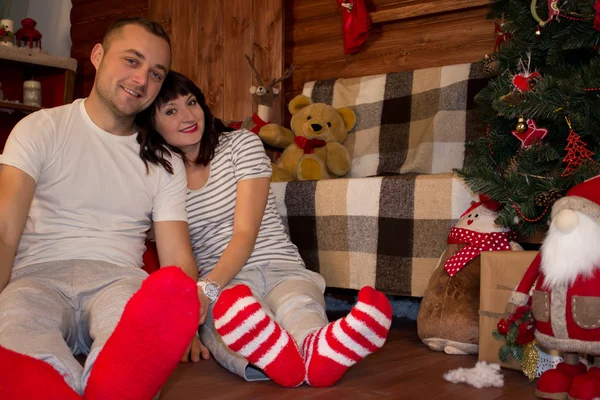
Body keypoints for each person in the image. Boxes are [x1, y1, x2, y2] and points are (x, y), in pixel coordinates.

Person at [136, 70, 393, 388]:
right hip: (226, 292)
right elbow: (174, 256)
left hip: (274, 266)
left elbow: (245, 232)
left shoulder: (241, 144)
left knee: (299, 308)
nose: (188, 116)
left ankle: (312, 348)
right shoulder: (158, 175)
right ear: (152, 123)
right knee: (234, 322)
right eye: (171, 111)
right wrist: (186, 321)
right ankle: (304, 357)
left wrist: (207, 291)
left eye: (191, 102)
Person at [0, 17, 207, 400]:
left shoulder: (165, 162)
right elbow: (5, 232)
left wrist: (184, 324)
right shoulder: (39, 129)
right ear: (98, 55)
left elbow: (176, 254)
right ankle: (42, 382)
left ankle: (117, 385)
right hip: (36, 276)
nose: (142, 79)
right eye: (132, 60)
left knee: (134, 330)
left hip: (119, 279)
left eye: (156, 73)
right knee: (16, 325)